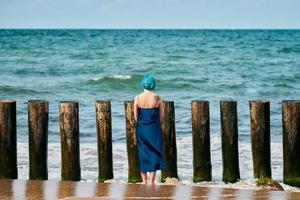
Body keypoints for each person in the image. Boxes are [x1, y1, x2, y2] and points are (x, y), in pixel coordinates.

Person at [133, 73, 165, 185]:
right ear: (153, 84)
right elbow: (162, 116)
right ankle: (151, 181)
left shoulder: (137, 97)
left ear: (143, 84)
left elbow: (136, 116)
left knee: (143, 153)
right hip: (154, 129)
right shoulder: (158, 97)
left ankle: (144, 180)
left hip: (141, 129)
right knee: (154, 153)